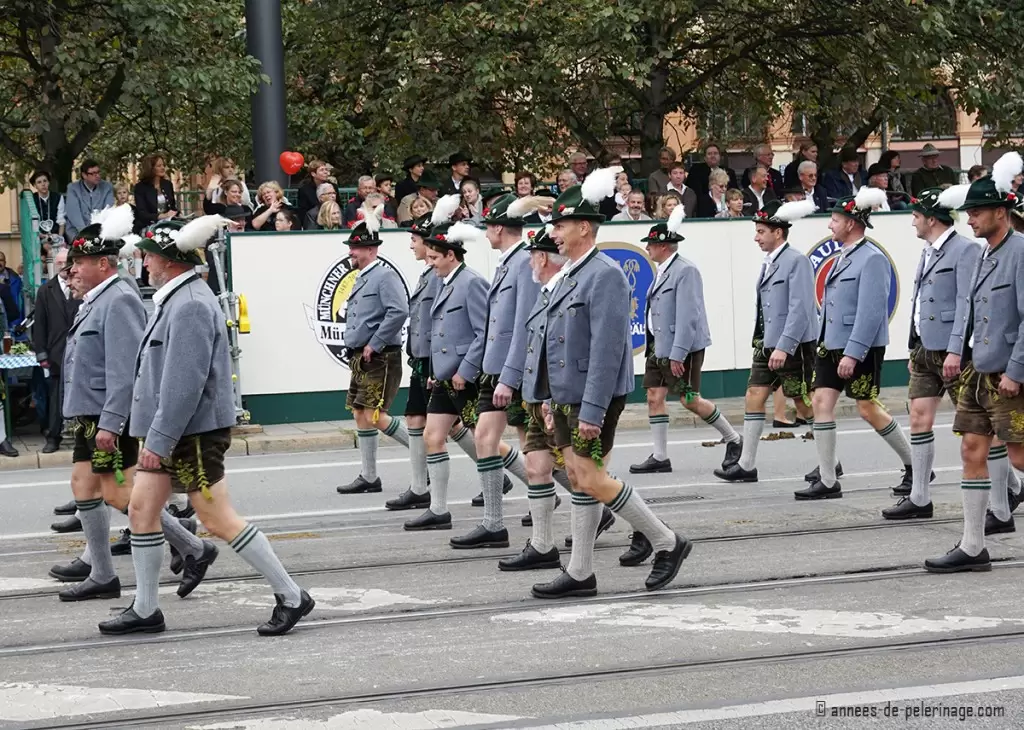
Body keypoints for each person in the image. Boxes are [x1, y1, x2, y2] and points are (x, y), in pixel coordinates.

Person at [99, 215, 313, 635]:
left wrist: (157, 440)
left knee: (217, 518)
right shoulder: (177, 298)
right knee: (142, 509)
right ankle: (145, 609)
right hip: (173, 431)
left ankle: (292, 594)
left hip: (191, 433)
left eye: (149, 255)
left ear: (170, 260)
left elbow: (184, 385)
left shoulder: (192, 304)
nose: (143, 262)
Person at [527, 167, 690, 598]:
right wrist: (546, 395)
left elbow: (606, 348)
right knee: (580, 477)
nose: (555, 235)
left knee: (592, 476)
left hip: (592, 395)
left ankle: (666, 541)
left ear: (584, 226)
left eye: (560, 226)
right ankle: (581, 572)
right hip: (565, 393)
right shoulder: (575, 273)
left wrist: (594, 411)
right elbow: (553, 341)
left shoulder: (606, 275)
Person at [57, 205, 212, 603]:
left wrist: (111, 421)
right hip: (91, 413)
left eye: (81, 262)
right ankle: (102, 571)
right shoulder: (100, 296)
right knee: (85, 486)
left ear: (104, 264)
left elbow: (126, 370)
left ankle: (192, 548)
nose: (72, 270)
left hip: (107, 416)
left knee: (120, 496)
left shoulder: (120, 297)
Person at [925, 160, 1024, 572]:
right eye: (968, 213)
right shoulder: (984, 254)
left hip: (1008, 373)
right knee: (971, 448)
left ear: (1001, 212)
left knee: (1019, 457)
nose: (971, 220)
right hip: (980, 371)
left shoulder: (1020, 251)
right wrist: (956, 353)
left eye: (978, 212)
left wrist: (1017, 371)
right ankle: (972, 545)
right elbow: (969, 310)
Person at [797, 188, 914, 500]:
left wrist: (853, 352)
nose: (829, 225)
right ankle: (827, 479)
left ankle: (915, 464)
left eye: (834, 219)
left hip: (858, 346)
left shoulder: (872, 259)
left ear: (851, 223)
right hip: (830, 343)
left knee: (866, 408)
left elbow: (872, 312)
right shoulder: (841, 257)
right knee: (820, 403)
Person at [881, 187, 983, 520]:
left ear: (931, 218)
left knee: (975, 427)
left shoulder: (964, 250)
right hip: (926, 349)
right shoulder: (928, 250)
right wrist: (914, 345)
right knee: (918, 417)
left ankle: (1009, 487)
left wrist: (955, 350)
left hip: (953, 353)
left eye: (915, 215)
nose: (912, 221)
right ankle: (920, 497)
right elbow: (921, 302)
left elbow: (965, 304)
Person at [453, 195, 547, 549]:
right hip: (496, 368)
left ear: (497, 228)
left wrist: (508, 376)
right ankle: (493, 523)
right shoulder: (509, 262)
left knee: (534, 451)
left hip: (513, 370)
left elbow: (523, 323)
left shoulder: (523, 262)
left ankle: (598, 506)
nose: (486, 233)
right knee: (484, 439)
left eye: (488, 226)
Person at [631, 204, 743, 476]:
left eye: (651, 244)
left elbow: (689, 316)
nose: (648, 248)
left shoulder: (685, 270)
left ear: (664, 247)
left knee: (689, 399)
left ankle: (733, 438)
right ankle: (660, 457)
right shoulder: (664, 269)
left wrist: (678, 353)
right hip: (659, 344)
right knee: (653, 396)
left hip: (681, 347)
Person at [714, 200, 818, 483]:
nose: (756, 237)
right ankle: (746, 465)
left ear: (778, 233)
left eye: (761, 231)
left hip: (792, 345)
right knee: (754, 396)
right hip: (765, 342)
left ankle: (830, 461)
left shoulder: (796, 260)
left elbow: (800, 308)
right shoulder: (771, 261)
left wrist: (784, 346)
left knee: (801, 401)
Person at [403, 208, 490, 531]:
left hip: (464, 377)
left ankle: (544, 488)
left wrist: (464, 370)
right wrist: (435, 369)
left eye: (436, 258)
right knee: (432, 435)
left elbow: (484, 333)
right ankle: (439, 509)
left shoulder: (471, 283)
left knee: (489, 443)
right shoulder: (442, 280)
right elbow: (439, 330)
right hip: (443, 377)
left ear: (451, 256)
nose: (431, 263)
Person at [335, 212, 411, 496]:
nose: (350, 252)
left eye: (354, 248)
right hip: (364, 357)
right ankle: (369, 476)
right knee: (360, 413)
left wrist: (375, 343)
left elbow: (399, 310)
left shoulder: (384, 275)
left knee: (375, 415)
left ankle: (424, 458)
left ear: (371, 249)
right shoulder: (363, 277)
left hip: (380, 356)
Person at [33, 247, 81, 453]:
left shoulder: (81, 287)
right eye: (60, 263)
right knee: (55, 396)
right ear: (54, 264)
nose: (63, 266)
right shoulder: (46, 290)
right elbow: (39, 324)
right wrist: (41, 353)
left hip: (80, 352)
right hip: (56, 353)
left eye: (67, 262)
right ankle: (54, 437)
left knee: (81, 394)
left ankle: (81, 436)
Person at [64, 160, 114, 241]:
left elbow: (107, 211)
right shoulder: (73, 188)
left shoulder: (107, 187)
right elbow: (74, 215)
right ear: (84, 175)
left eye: (98, 172)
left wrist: (98, 234)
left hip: (101, 232)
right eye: (93, 173)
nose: (97, 176)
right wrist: (87, 235)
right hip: (78, 232)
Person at [133, 154, 178, 230]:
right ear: (151, 168)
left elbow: (172, 207)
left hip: (168, 223)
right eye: (159, 166)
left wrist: (178, 214)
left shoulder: (167, 184)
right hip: (148, 225)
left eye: (163, 165)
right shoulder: (140, 187)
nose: (163, 168)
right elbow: (142, 214)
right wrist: (161, 216)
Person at [31, 170, 66, 253]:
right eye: (39, 182)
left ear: (48, 182)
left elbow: (61, 221)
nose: (43, 184)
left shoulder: (57, 197)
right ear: (35, 185)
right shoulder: (32, 199)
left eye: (45, 181)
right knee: (46, 249)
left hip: (56, 235)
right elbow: (31, 222)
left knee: (62, 249)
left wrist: (59, 238)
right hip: (38, 237)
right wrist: (42, 236)